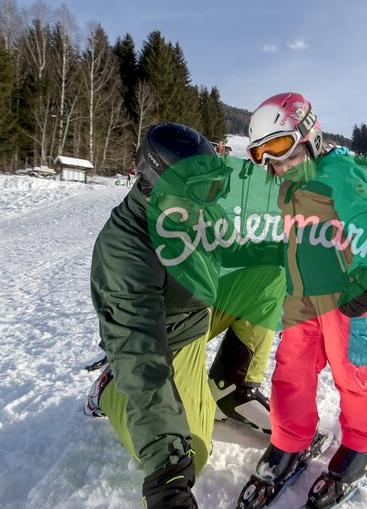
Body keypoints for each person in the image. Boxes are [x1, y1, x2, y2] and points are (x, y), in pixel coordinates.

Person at [85, 122, 286, 508]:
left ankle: (230, 386)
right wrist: (166, 474)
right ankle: (112, 391)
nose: (209, 203)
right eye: (199, 192)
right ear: (152, 186)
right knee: (192, 454)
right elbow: (140, 353)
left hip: (198, 309)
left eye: (214, 188)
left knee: (268, 280)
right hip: (164, 338)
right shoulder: (126, 251)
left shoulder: (194, 210)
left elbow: (231, 248)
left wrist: (285, 252)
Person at [243, 92, 367, 508]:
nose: (273, 163)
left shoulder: (339, 171)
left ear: (307, 131)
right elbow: (298, 237)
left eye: (279, 147)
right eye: (262, 154)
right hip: (300, 298)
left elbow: (363, 219)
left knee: (353, 370)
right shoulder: (289, 184)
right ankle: (290, 439)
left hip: (346, 295)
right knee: (290, 372)